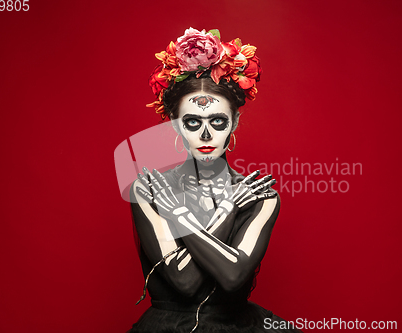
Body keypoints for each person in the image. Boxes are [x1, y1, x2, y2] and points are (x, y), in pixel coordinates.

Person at [128, 28, 301, 333]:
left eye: (217, 121)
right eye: (192, 122)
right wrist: (229, 209)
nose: (206, 135)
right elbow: (185, 282)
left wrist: (177, 213)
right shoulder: (148, 190)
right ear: (175, 126)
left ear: (233, 122)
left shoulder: (259, 196)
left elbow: (232, 276)